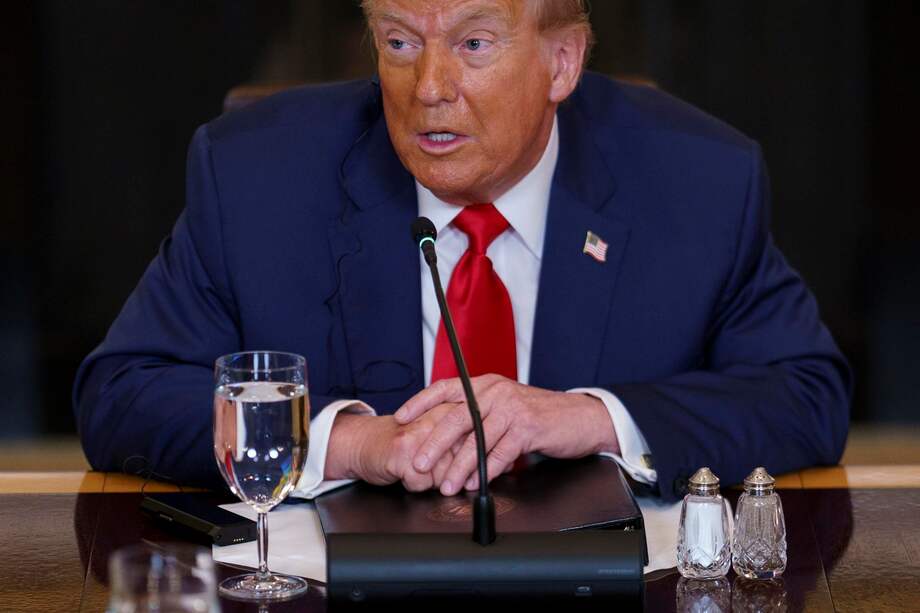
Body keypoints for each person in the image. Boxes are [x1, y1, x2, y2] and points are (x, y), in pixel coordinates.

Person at [73, 0, 851, 502]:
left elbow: (805, 393)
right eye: (400, 42)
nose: (429, 87)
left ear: (561, 63)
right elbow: (121, 393)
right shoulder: (256, 178)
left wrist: (593, 418)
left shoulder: (699, 180)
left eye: (474, 43)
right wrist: (347, 442)